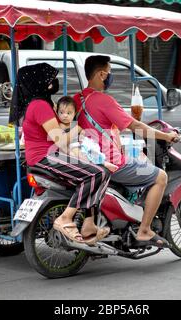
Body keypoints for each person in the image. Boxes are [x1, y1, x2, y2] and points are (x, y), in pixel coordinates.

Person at [74, 55, 180, 248]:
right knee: (161, 177)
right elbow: (135, 126)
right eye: (110, 73)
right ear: (101, 74)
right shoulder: (104, 100)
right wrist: (167, 136)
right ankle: (145, 230)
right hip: (112, 162)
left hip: (90, 159)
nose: (111, 76)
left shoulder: (78, 98)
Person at [10, 63, 111, 244]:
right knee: (99, 173)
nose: (52, 84)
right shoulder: (40, 106)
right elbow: (60, 140)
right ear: (39, 83)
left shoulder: (38, 104)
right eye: (49, 80)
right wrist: (78, 128)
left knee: (99, 171)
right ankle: (66, 218)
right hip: (45, 159)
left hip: (44, 157)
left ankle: (89, 224)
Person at [56, 96, 119, 173]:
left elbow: (82, 132)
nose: (65, 115)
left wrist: (81, 136)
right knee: (79, 155)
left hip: (80, 144)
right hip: (70, 147)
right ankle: (101, 164)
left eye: (69, 113)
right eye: (61, 112)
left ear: (74, 113)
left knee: (92, 150)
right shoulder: (59, 125)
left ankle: (102, 162)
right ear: (57, 112)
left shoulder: (74, 124)